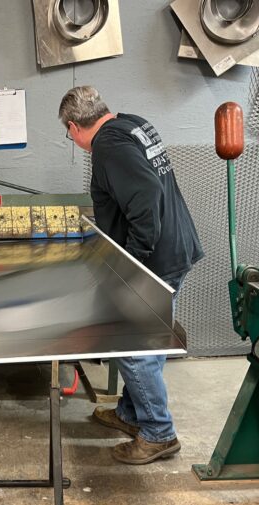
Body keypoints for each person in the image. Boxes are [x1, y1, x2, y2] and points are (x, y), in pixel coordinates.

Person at [58, 86, 204, 464]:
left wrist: (132, 264)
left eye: (68, 134)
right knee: (148, 340)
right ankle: (130, 414)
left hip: (153, 261)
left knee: (133, 348)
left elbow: (146, 196)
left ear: (74, 127)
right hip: (175, 248)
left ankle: (159, 433)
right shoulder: (134, 125)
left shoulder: (108, 145)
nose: (72, 141)